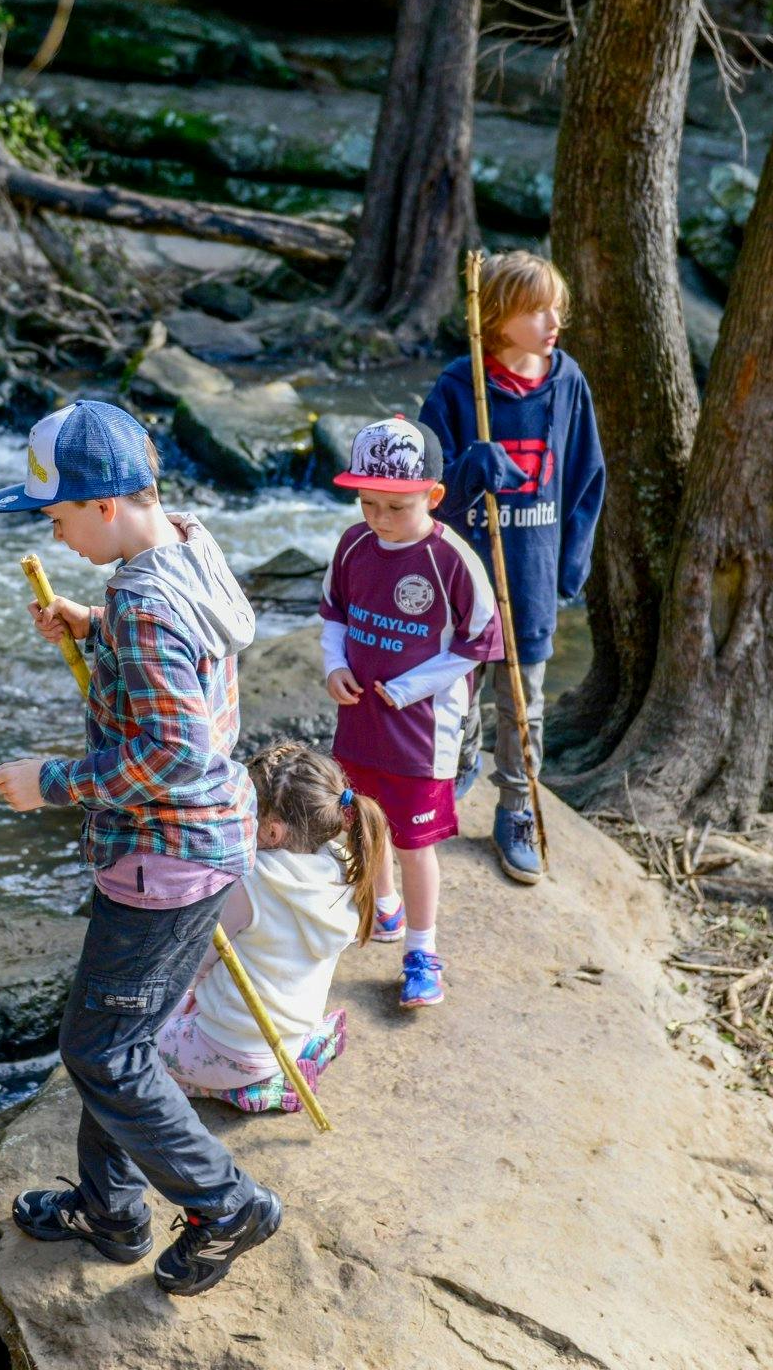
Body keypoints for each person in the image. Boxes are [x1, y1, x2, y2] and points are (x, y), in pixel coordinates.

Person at [0, 399, 283, 1298]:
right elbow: (182, 651)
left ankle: (227, 1205)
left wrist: (55, 782)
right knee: (126, 1039)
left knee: (103, 1052)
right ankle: (111, 1211)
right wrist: (95, 625)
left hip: (164, 859)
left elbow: (171, 753)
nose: (56, 531)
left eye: (60, 515)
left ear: (107, 505)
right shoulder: (188, 542)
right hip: (207, 845)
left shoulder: (145, 602)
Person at [419, 250, 605, 884]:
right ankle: (456, 761)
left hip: (529, 570)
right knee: (459, 688)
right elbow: (424, 484)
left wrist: (569, 566)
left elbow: (585, 476)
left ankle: (516, 808)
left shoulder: (566, 382)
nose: (554, 320)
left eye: (557, 306)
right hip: (464, 578)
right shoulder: (458, 383)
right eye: (537, 310)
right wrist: (471, 468)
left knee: (524, 701)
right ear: (497, 317)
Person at [319, 416, 504, 1011]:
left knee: (415, 841)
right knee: (362, 822)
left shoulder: (452, 560)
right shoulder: (352, 545)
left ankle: (423, 952)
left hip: (422, 733)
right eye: (367, 503)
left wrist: (411, 687)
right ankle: (384, 905)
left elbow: (480, 642)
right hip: (359, 721)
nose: (378, 519)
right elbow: (335, 615)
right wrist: (333, 666)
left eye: (394, 507)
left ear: (434, 496)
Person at [156, 740, 387, 1114]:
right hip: (288, 1034)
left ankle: (246, 1089)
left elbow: (196, 964)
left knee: (136, 1050)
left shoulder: (252, 884)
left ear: (273, 832)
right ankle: (293, 1058)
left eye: (246, 811)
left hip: (230, 1050)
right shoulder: (343, 863)